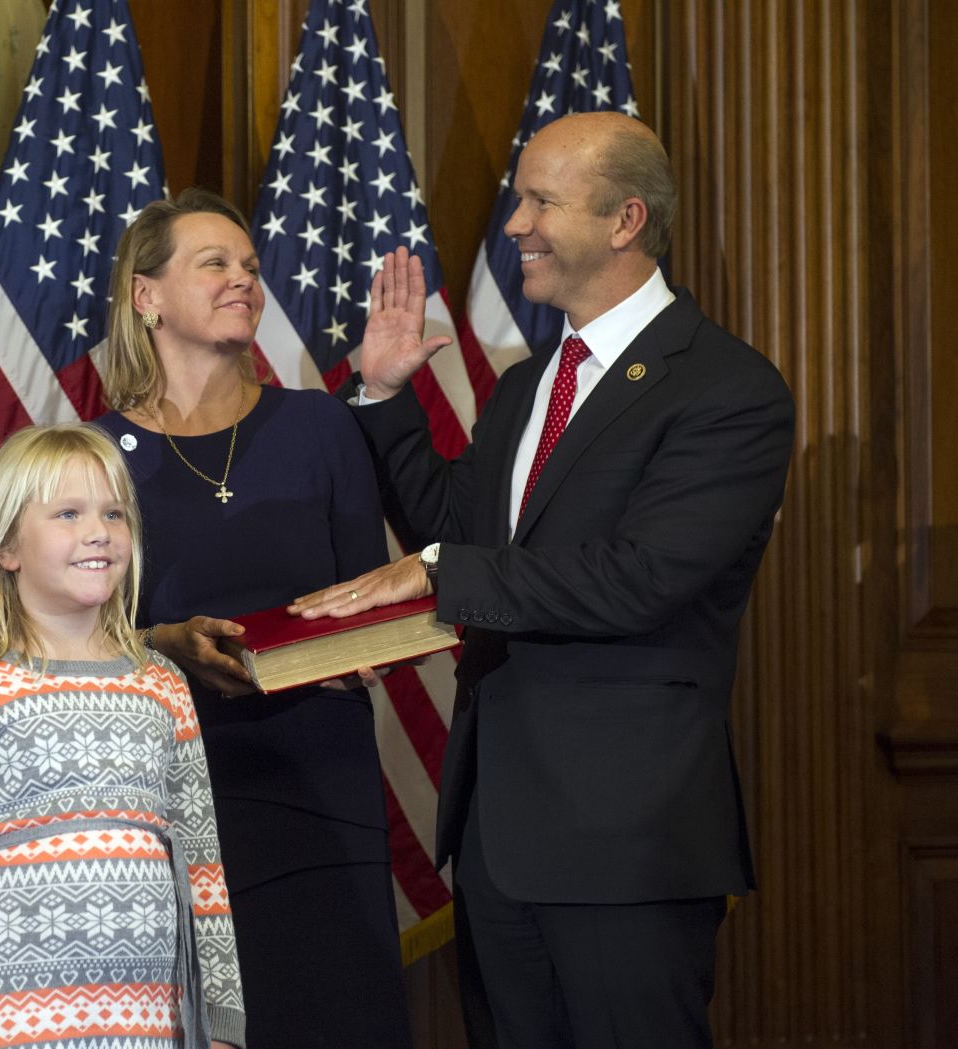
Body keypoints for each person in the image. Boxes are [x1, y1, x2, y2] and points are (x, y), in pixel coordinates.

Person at [292, 112, 796, 1049]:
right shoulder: (530, 386)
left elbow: (642, 579)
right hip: (497, 840)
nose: (515, 223)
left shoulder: (729, 390)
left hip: (624, 845)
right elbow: (459, 536)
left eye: (540, 201)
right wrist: (388, 397)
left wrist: (438, 569)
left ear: (625, 220)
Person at [93, 189, 414, 1049]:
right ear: (147, 295)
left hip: (320, 781)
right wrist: (162, 644)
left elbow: (366, 596)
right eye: (216, 264)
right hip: (177, 798)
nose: (243, 279)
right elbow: (69, 646)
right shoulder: (94, 457)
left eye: (250, 266)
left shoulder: (320, 424)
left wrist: (372, 647)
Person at [0, 423, 245, 1049]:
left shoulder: (160, 681)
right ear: (7, 547)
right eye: (68, 513)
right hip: (11, 1027)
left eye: (114, 513)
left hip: (151, 1022)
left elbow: (201, 862)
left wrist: (221, 1020)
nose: (99, 532)